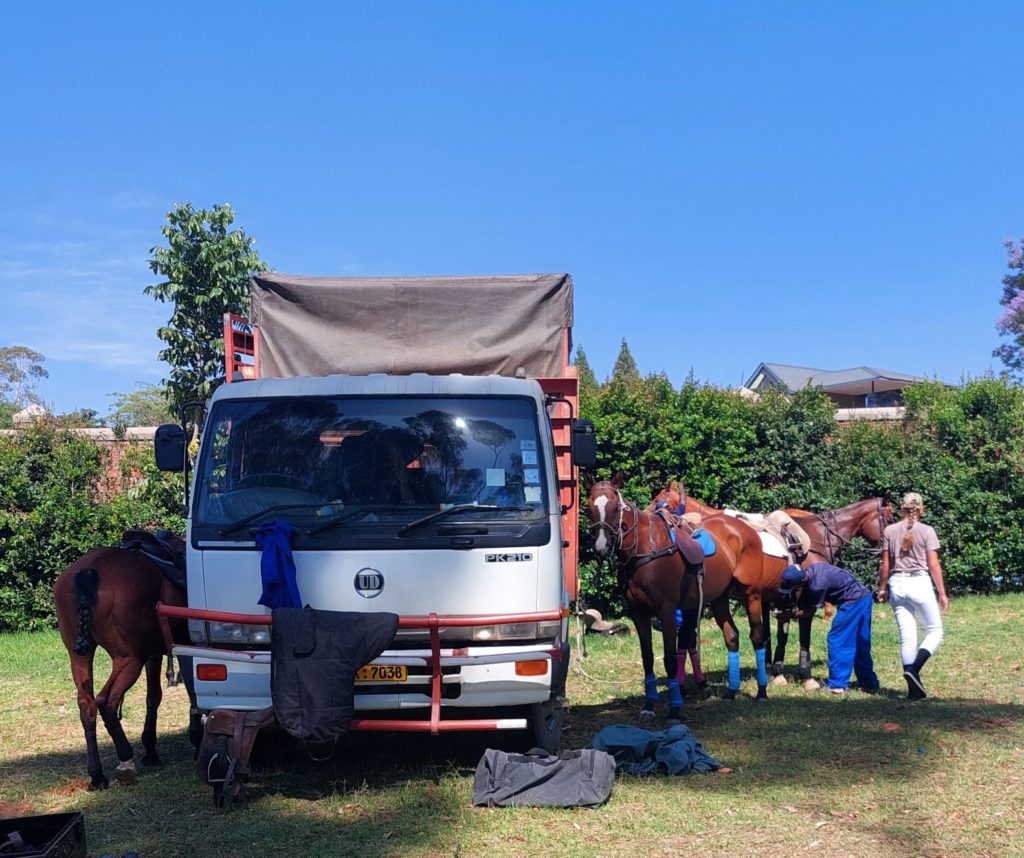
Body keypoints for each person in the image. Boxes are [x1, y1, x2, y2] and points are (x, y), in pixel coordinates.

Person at [877, 491, 949, 700]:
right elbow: (933, 565)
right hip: (919, 582)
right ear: (921, 510)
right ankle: (914, 669)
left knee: (907, 637)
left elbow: (885, 564)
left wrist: (882, 588)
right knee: (935, 631)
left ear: (902, 509)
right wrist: (942, 593)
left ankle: (913, 689)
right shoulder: (927, 531)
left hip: (897, 584)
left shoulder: (890, 531)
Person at [779, 562, 880, 695]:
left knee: (838, 639)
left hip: (852, 602)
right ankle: (869, 683)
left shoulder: (817, 586)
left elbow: (810, 611)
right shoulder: (813, 569)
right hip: (864, 597)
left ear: (801, 581)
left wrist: (791, 615)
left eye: (793, 587)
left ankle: (837, 685)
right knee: (860, 642)